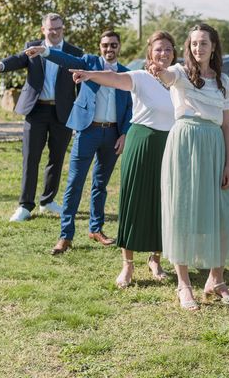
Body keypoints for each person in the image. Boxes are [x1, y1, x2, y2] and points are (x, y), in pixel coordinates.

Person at [69, 31, 176, 288]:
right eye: (158, 49)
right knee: (133, 202)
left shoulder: (179, 79)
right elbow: (114, 78)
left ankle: (155, 259)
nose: (163, 54)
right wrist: (91, 75)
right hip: (141, 143)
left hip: (170, 146)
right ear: (150, 52)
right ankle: (127, 265)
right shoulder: (139, 77)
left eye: (168, 50)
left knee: (163, 203)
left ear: (174, 53)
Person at [149, 23, 229, 311]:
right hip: (185, 143)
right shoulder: (178, 73)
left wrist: (228, 162)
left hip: (215, 146)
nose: (198, 48)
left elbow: (227, 124)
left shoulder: (223, 81)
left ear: (214, 46)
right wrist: (158, 69)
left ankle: (216, 279)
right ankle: (184, 284)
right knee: (183, 212)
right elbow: (165, 75)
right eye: (193, 44)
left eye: (203, 43)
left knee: (223, 213)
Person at [25, 31, 133, 255]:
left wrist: (125, 133)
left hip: (112, 134)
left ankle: (96, 229)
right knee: (74, 184)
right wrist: (44, 51)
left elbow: (131, 108)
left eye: (113, 45)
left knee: (100, 185)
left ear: (119, 47)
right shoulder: (89, 62)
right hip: (87, 131)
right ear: (100, 46)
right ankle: (65, 235)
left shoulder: (126, 74)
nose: (109, 49)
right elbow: (66, 59)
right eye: (105, 45)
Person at [0, 13, 84, 222]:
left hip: (63, 113)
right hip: (36, 111)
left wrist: (83, 114)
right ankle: (25, 206)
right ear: (43, 30)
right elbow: (16, 60)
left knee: (56, 159)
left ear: (63, 28)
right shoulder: (33, 47)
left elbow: (84, 86)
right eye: (51, 28)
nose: (55, 32)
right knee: (31, 158)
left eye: (58, 28)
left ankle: (47, 201)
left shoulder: (74, 53)